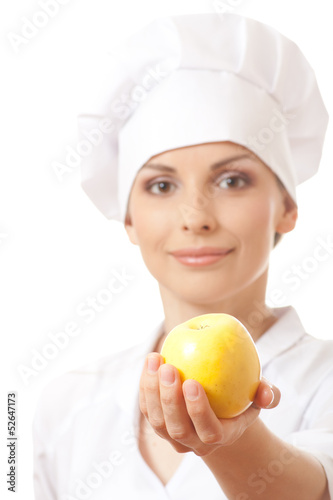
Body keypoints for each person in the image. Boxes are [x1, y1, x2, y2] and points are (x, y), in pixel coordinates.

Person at [32, 12, 333, 500]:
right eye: (161, 185)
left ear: (288, 208)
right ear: (128, 219)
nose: (195, 217)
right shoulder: (65, 405)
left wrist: (232, 444)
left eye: (231, 180)